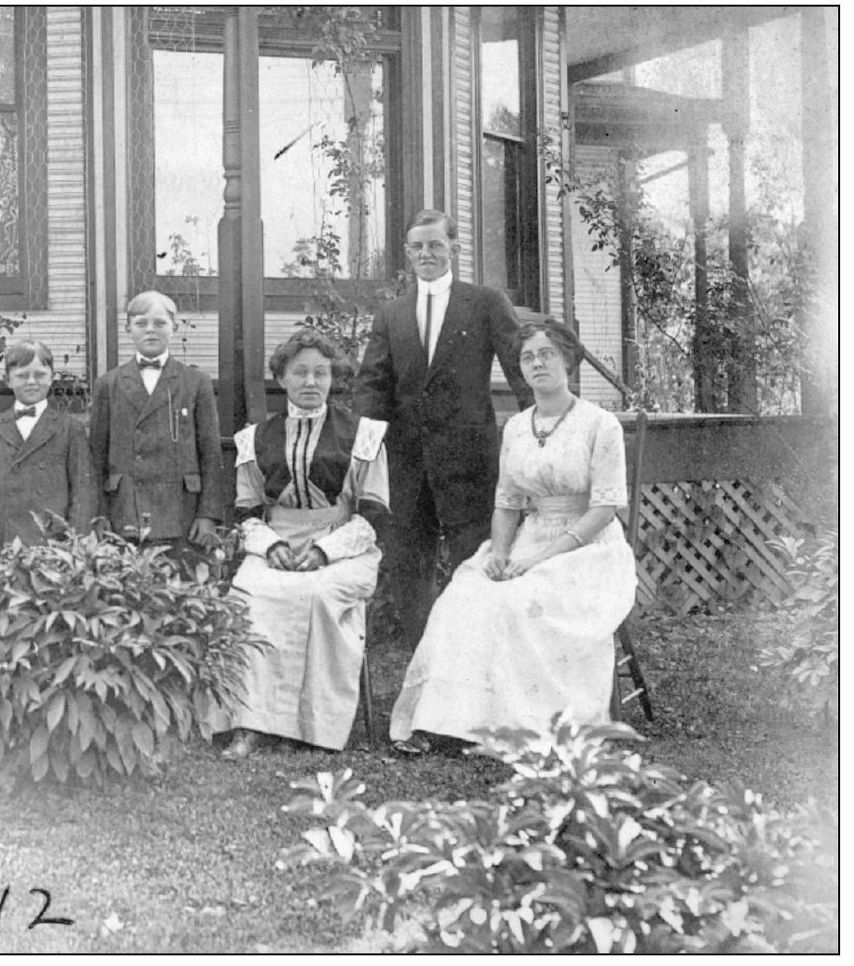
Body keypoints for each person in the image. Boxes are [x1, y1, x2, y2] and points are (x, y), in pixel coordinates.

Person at [389, 320, 637, 754]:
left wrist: (537, 561)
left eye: (547, 355)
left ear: (569, 361)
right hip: (528, 538)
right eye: (528, 357)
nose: (537, 363)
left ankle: (520, 726)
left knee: (515, 603)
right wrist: (501, 553)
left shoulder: (601, 425)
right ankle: (446, 722)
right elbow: (507, 502)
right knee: (462, 597)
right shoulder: (517, 427)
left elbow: (605, 509)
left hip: (588, 550)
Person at [352, 210, 531, 651]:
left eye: (435, 245)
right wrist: (366, 456)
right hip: (407, 466)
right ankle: (427, 667)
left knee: (478, 563)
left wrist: (542, 427)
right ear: (408, 254)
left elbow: (520, 368)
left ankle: (480, 663)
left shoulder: (485, 303)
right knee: (411, 572)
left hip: (470, 462)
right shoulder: (391, 315)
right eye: (418, 247)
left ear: (454, 248)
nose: (426, 254)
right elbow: (372, 386)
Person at [213, 331, 390, 757]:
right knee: (249, 595)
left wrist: (324, 552)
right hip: (275, 543)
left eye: (321, 372)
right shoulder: (254, 438)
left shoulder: (364, 435)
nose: (311, 381)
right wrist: (271, 545)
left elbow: (374, 513)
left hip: (344, 543)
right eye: (300, 372)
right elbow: (246, 510)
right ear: (283, 378)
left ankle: (315, 725)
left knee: (318, 594)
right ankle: (247, 722)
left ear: (333, 378)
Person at [89, 291, 225, 555]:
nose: (150, 330)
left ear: (173, 327)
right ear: (128, 328)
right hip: (125, 512)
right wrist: (100, 514)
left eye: (160, 323)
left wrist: (208, 515)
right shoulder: (109, 384)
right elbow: (96, 457)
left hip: (181, 512)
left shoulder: (196, 383)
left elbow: (210, 454)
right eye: (141, 323)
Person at [0, 339, 96, 550]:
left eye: (40, 375)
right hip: (1, 544)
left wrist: (76, 546)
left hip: (53, 547)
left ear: (52, 377)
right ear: (8, 380)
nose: (31, 382)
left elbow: (83, 493)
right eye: (22, 376)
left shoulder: (70, 429)